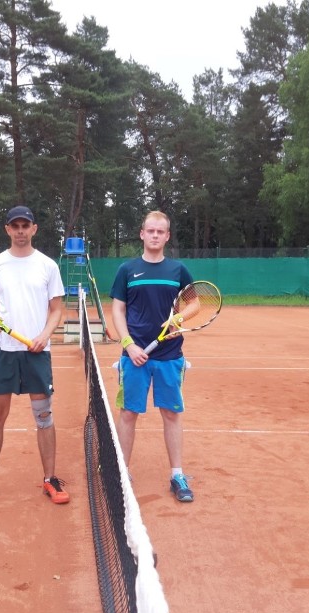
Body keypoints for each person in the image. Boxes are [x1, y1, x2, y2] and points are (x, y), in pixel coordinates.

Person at [0, 205, 69, 507]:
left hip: (37, 354)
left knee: (44, 417)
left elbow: (57, 309)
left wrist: (44, 335)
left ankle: (50, 478)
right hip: (4, 353)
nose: (21, 231)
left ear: (34, 229)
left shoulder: (48, 266)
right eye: (16, 226)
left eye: (26, 225)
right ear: (8, 230)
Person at [110, 211, 195, 502]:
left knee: (171, 414)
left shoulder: (178, 270)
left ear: (167, 236)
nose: (155, 235)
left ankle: (177, 474)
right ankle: (122, 471)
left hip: (170, 355)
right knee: (128, 413)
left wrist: (178, 320)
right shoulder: (127, 270)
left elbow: (194, 304)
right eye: (151, 230)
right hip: (134, 355)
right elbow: (118, 310)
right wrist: (128, 344)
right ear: (142, 234)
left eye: (161, 231)